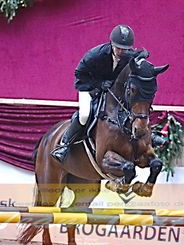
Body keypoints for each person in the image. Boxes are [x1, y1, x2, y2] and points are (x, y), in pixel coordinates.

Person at [51, 25, 164, 163]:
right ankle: (65, 144)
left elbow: (138, 61)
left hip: (112, 91)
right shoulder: (95, 55)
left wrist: (143, 60)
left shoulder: (127, 55)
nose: (121, 52)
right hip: (89, 87)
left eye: (125, 49)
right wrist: (99, 84)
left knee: (133, 106)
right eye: (118, 48)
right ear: (111, 43)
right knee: (85, 114)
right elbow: (79, 74)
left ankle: (148, 136)